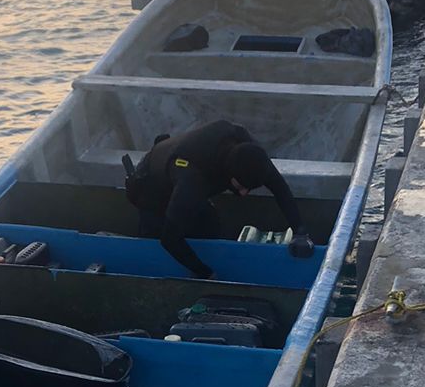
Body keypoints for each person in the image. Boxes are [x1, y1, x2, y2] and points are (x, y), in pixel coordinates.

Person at [124, 119, 314, 279]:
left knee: (210, 223)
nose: (244, 194)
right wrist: (207, 275)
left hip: (190, 178)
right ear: (229, 175)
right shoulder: (192, 180)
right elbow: (169, 239)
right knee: (158, 245)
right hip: (151, 188)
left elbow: (280, 188)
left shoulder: (250, 152)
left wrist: (300, 231)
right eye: (240, 187)